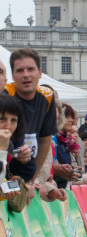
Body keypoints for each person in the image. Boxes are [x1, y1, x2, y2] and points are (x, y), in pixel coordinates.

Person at [4, 49, 61, 200]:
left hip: (25, 170)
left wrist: (30, 181)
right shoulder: (5, 95)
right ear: (13, 75)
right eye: (19, 70)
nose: (26, 75)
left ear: (40, 73)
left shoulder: (47, 96)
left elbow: (44, 140)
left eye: (30, 69)